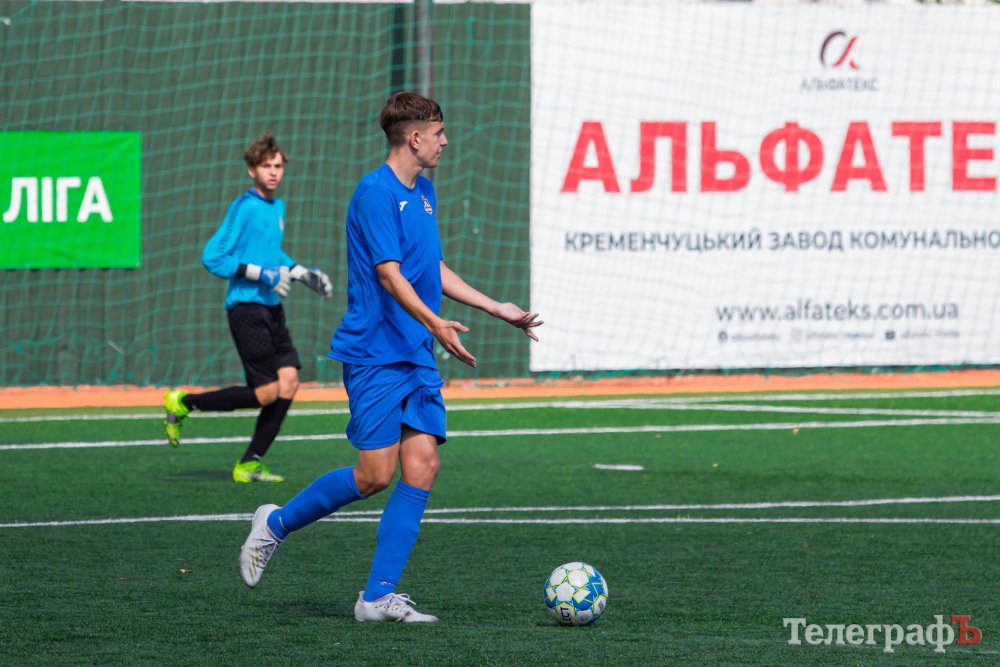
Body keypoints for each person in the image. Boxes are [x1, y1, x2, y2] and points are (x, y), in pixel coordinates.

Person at [238, 92, 542, 622]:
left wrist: (496, 307)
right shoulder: (375, 193)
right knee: (373, 476)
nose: (446, 141)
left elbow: (431, 268)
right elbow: (389, 274)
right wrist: (435, 323)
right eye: (439, 132)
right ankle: (275, 524)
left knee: (423, 466)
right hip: (375, 352)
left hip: (415, 352)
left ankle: (377, 597)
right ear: (414, 137)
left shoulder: (424, 192)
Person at [163, 133, 334, 484]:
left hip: (272, 308)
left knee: (289, 382)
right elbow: (213, 257)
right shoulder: (244, 207)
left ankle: (250, 463)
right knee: (267, 393)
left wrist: (302, 273)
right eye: (266, 166)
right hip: (246, 309)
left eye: (278, 166)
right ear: (251, 170)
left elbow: (271, 254)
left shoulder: (277, 206)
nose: (273, 172)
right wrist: (259, 273)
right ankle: (184, 403)